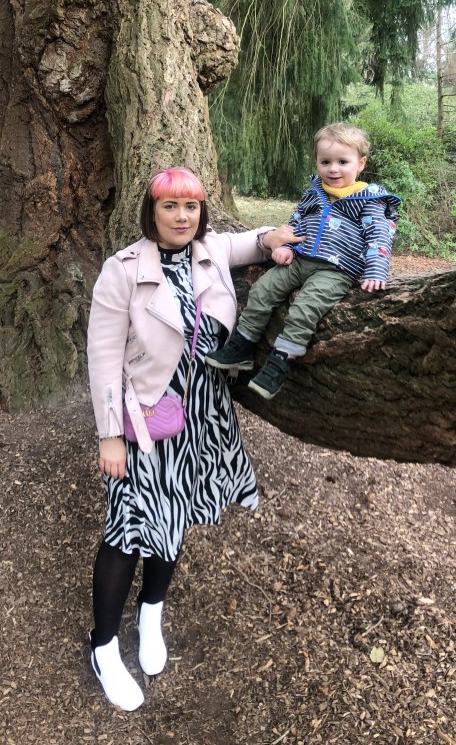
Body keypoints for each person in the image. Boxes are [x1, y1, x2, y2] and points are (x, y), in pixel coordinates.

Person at [86, 167, 298, 711]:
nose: (183, 217)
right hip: (146, 416)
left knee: (176, 513)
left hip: (201, 414)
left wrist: (274, 237)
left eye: (192, 206)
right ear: (150, 213)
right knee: (128, 528)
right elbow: (104, 357)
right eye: (170, 207)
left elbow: (254, 240)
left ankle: (150, 614)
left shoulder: (209, 251)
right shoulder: (123, 270)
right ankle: (104, 645)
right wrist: (110, 435)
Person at [206, 122, 401, 398]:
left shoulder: (368, 199)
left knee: (304, 307)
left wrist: (376, 270)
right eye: (326, 161)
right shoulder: (314, 193)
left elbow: (379, 237)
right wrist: (286, 247)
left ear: (361, 164)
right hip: (299, 260)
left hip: (336, 269)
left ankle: (280, 362)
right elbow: (297, 222)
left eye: (342, 161)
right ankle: (242, 346)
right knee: (262, 290)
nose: (333, 169)